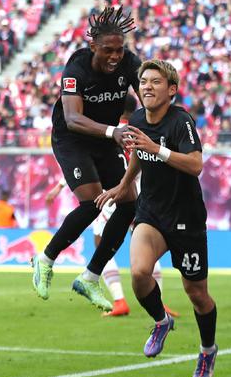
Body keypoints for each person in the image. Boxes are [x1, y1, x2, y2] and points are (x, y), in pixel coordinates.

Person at [96, 60, 217, 377]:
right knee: (139, 273)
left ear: (171, 90)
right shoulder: (137, 119)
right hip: (150, 212)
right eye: (144, 81)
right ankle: (162, 321)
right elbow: (138, 154)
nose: (147, 86)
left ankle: (207, 350)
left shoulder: (181, 122)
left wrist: (156, 148)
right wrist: (123, 185)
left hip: (186, 218)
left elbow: (195, 165)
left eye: (156, 81)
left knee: (197, 294)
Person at [31, 6, 140, 313]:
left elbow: (147, 96)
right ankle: (45, 259)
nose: (115, 57)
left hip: (105, 139)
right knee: (92, 203)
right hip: (73, 139)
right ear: (93, 46)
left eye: (119, 50)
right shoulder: (76, 68)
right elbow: (73, 118)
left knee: (129, 203)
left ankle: (90, 277)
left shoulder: (130, 63)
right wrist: (114, 131)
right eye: (108, 50)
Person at [45, 97, 180, 318]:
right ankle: (159, 301)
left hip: (113, 194)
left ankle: (119, 300)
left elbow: (88, 163)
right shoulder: (139, 130)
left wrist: (59, 186)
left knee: (101, 244)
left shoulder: (107, 131)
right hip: (141, 195)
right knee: (147, 247)